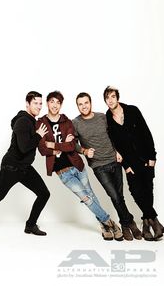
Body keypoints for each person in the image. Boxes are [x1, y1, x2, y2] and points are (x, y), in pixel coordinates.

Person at [37, 91, 123, 241]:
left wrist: (54, 144)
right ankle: (109, 221)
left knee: (90, 194)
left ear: (61, 104)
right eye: (52, 102)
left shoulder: (67, 122)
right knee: (86, 198)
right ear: (47, 103)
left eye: (58, 102)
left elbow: (71, 146)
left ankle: (104, 226)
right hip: (62, 171)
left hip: (77, 165)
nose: (55, 105)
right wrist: (58, 144)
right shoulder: (41, 123)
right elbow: (43, 149)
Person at [0, 91, 50, 239]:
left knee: (44, 194)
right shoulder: (23, 121)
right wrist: (38, 135)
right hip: (11, 167)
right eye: (35, 103)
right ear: (27, 104)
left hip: (24, 168)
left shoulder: (32, 121)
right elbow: (24, 147)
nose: (39, 106)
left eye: (40, 103)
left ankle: (30, 225)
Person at [72, 92, 142, 241]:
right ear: (77, 106)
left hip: (114, 161)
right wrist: (84, 151)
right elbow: (72, 143)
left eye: (86, 103)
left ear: (90, 103)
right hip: (98, 166)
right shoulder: (75, 123)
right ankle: (129, 221)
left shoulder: (102, 117)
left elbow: (114, 135)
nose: (84, 106)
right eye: (80, 104)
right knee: (114, 196)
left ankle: (125, 224)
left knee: (120, 196)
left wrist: (117, 151)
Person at [104, 86, 164, 241]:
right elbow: (114, 144)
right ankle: (155, 221)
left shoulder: (132, 110)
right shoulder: (107, 119)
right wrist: (126, 166)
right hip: (130, 162)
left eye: (112, 96)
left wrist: (152, 157)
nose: (110, 100)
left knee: (147, 190)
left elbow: (146, 133)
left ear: (118, 97)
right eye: (107, 98)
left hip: (146, 158)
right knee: (136, 191)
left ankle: (146, 224)